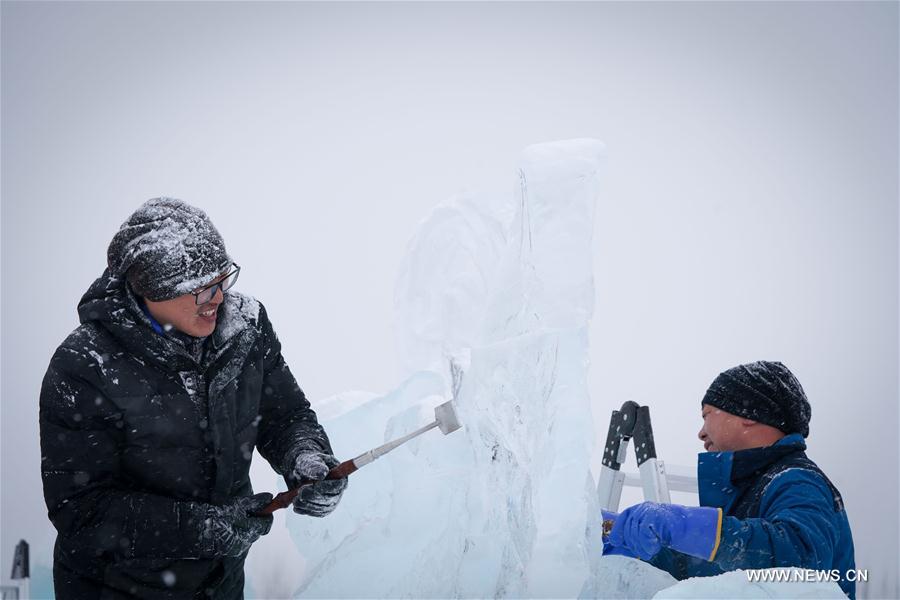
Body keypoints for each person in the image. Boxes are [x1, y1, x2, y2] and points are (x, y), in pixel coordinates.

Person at [39, 198, 347, 599]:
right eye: (201, 290)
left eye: (222, 280)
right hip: (116, 589)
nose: (218, 298)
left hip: (220, 585)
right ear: (150, 291)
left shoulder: (247, 328)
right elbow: (81, 511)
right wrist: (201, 529)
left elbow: (285, 416)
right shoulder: (85, 365)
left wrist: (305, 457)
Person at [603, 361, 857, 599]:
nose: (701, 433)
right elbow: (713, 571)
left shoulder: (797, 481)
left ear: (749, 413)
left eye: (707, 415)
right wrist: (628, 539)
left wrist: (685, 526)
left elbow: (800, 563)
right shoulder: (751, 490)